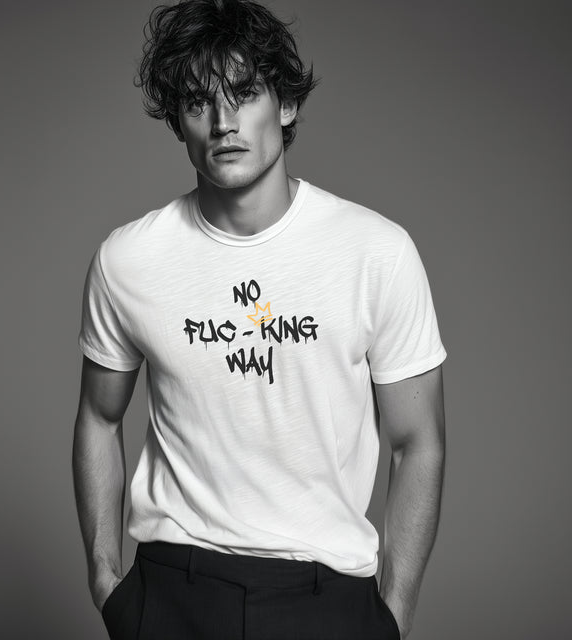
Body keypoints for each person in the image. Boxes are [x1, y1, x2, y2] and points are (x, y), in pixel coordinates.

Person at [72, 1, 447, 638]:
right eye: (198, 102)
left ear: (287, 104)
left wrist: (393, 615)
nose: (224, 123)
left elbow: (419, 443)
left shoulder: (376, 252)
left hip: (327, 598)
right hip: (174, 593)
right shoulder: (128, 260)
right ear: (178, 122)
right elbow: (98, 417)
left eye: (244, 94)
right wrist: (107, 581)